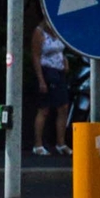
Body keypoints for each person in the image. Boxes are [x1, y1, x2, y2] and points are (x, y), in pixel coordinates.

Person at [30, 14, 71, 156]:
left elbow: (61, 51)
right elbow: (35, 55)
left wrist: (65, 61)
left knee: (63, 107)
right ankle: (38, 144)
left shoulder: (59, 31)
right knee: (44, 108)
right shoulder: (39, 32)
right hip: (47, 71)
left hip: (59, 71)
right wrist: (41, 79)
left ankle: (61, 143)